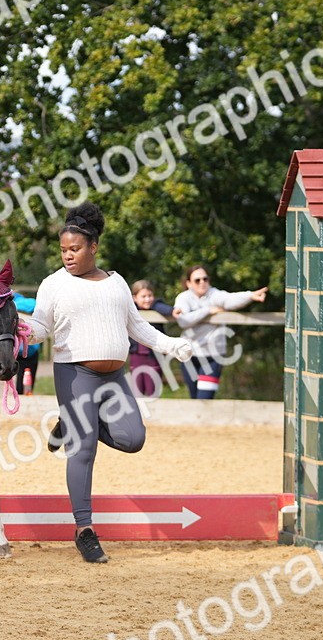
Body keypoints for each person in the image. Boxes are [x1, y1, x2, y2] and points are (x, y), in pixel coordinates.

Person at [26, 203, 193, 563]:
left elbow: (137, 326)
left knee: (133, 439)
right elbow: (40, 327)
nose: (68, 256)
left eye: (75, 249)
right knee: (84, 449)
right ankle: (84, 530)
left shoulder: (117, 282)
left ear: (93, 247)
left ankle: (71, 422)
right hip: (76, 374)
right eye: (63, 250)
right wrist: (23, 330)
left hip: (115, 376)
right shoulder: (53, 284)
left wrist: (171, 345)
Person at [172, 265, 267, 399]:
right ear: (188, 283)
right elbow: (183, 321)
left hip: (213, 356)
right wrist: (208, 310)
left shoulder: (214, 294)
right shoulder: (183, 298)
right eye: (197, 280)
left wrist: (250, 295)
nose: (202, 282)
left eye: (205, 279)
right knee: (194, 400)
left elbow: (230, 299)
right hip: (189, 355)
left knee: (204, 399)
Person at [128, 280, 175, 397]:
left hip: (154, 357)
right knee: (136, 391)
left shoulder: (156, 307)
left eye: (150, 295)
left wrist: (172, 311)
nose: (147, 299)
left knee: (152, 392)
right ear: (134, 298)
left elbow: (161, 307)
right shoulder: (131, 309)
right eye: (143, 296)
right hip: (136, 356)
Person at [11, 290, 41, 394]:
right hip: (30, 349)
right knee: (30, 377)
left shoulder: (15, 302)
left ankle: (20, 393)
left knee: (21, 378)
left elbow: (34, 304)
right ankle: (27, 392)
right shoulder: (28, 303)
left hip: (20, 350)